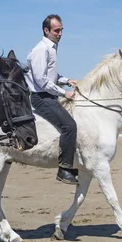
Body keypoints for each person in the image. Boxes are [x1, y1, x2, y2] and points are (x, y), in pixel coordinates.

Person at [24, 14, 79, 185]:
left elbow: (51, 75)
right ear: (46, 30)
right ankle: (64, 169)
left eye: (61, 30)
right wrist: (64, 93)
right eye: (56, 30)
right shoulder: (41, 49)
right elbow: (41, 80)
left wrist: (66, 80)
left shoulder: (51, 48)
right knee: (69, 126)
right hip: (41, 98)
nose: (60, 33)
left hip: (48, 94)